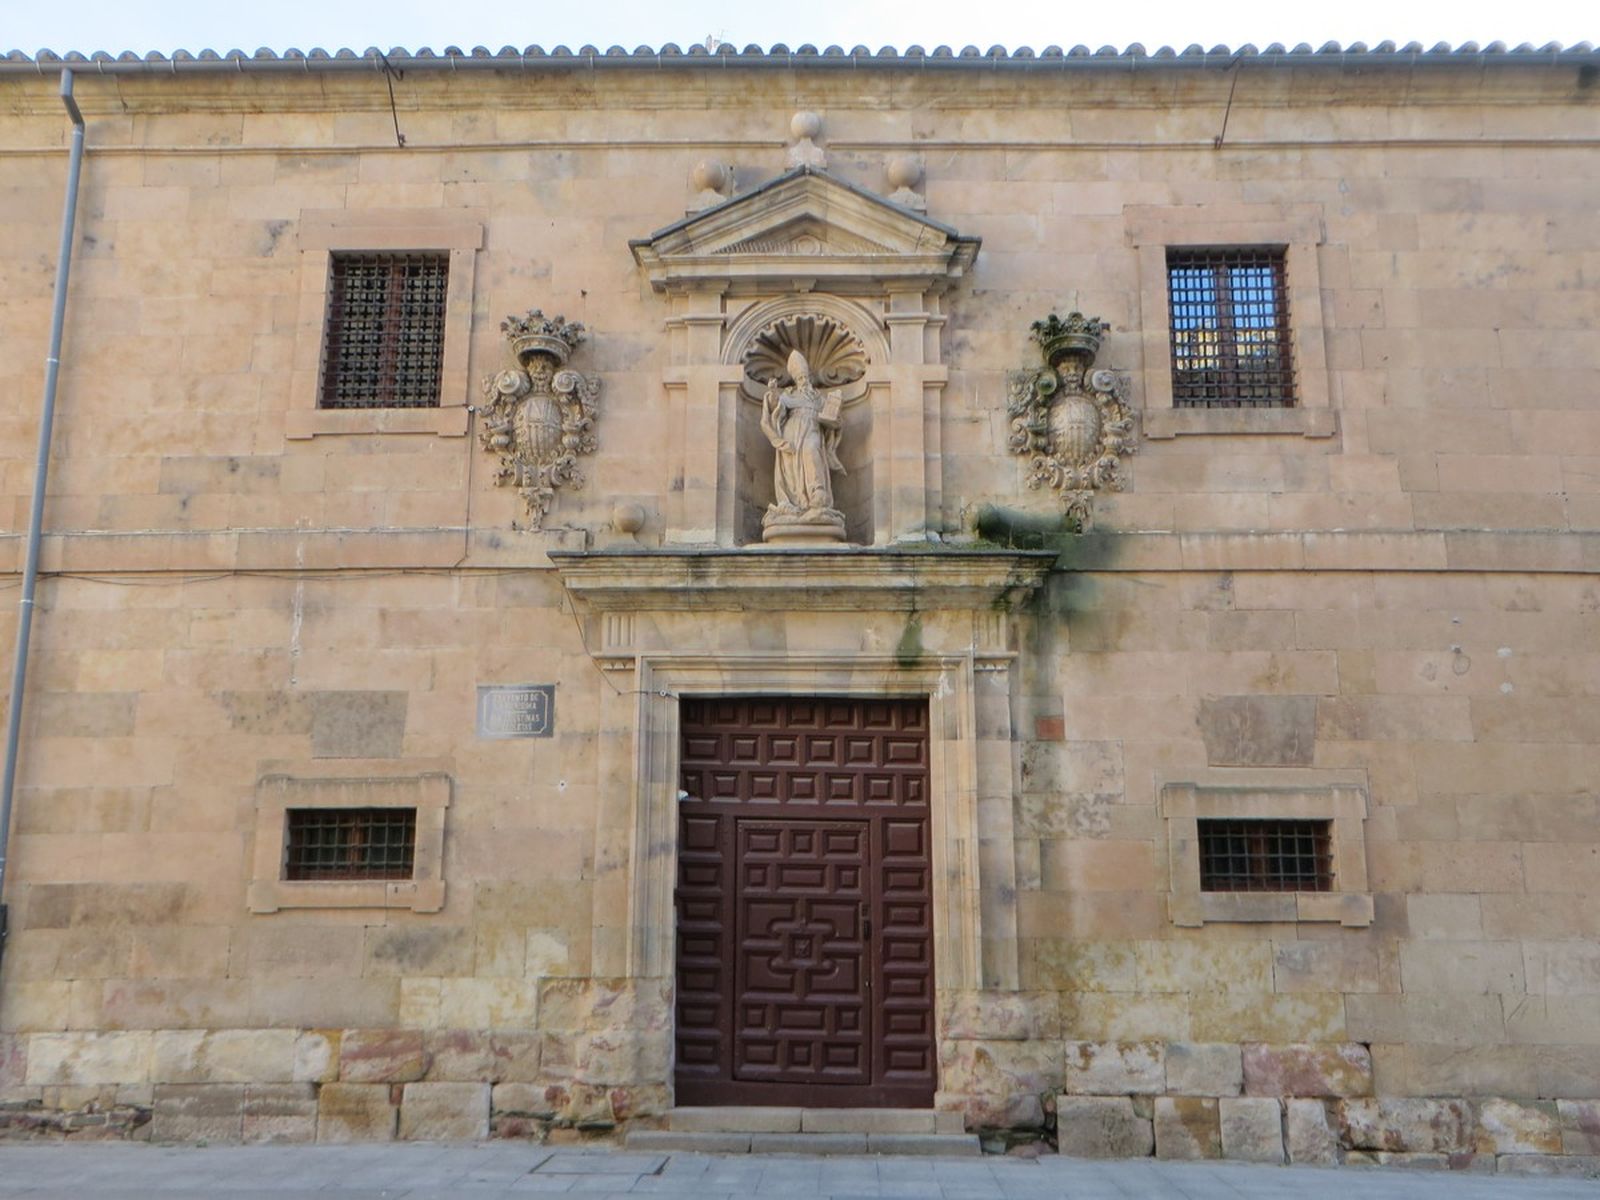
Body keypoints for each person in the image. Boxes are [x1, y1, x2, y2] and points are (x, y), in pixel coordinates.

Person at [760, 349, 844, 518]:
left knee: (811, 449)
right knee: (792, 468)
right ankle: (797, 501)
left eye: (805, 377)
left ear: (809, 377)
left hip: (813, 430)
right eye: (800, 378)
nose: (804, 381)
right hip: (792, 432)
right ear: (795, 380)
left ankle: (817, 493)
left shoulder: (819, 398)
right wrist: (773, 392)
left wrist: (834, 415)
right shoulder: (789, 395)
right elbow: (775, 408)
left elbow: (834, 419)